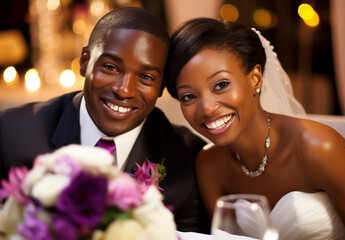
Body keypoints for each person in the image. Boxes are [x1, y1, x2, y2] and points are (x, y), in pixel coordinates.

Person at [0, 7, 210, 233]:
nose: (124, 90)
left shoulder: (188, 161)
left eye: (146, 77)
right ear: (84, 61)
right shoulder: (11, 135)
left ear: (161, 87)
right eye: (110, 67)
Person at [164, 18, 345, 239]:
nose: (207, 109)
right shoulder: (209, 165)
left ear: (255, 78)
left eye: (221, 85)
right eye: (189, 96)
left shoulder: (318, 147)